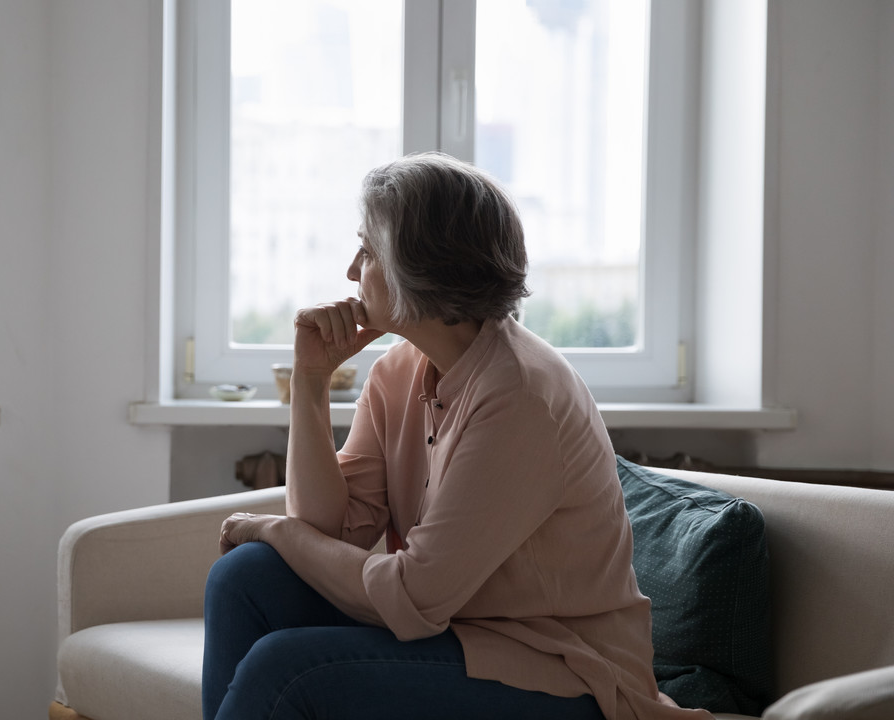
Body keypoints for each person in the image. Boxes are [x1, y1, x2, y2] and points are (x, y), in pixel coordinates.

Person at [201, 152, 713, 720]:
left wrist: (273, 529)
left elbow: (412, 596)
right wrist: (311, 381)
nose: (351, 270)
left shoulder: (521, 397)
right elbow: (328, 530)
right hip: (456, 637)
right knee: (244, 576)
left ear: (419, 269)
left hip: (566, 673)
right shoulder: (398, 370)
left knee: (286, 669)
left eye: (368, 251)